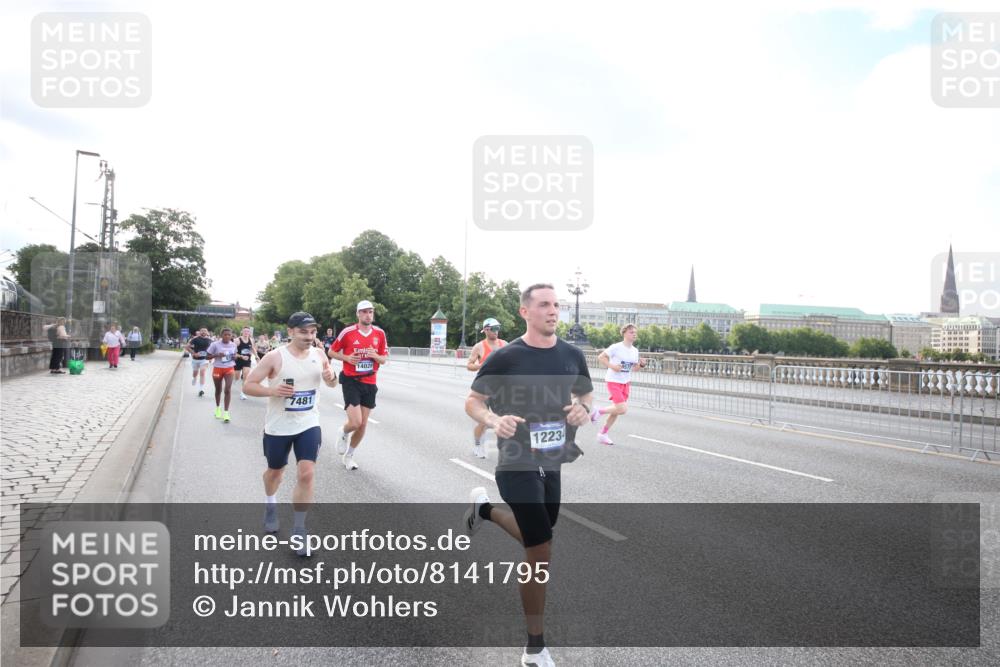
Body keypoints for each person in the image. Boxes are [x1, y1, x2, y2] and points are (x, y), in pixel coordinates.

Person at [463, 283, 594, 667]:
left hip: (552, 460)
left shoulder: (571, 355)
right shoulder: (506, 357)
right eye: (544, 305)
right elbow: (473, 401)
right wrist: (492, 419)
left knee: (540, 535)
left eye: (556, 305)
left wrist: (584, 409)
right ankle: (534, 647)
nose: (553, 311)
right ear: (525, 312)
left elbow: (586, 394)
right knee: (540, 549)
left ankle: (484, 510)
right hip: (516, 461)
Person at [243, 312, 337, 556]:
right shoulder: (275, 357)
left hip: (308, 423)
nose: (309, 336)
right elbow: (249, 385)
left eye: (313, 332)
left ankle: (299, 529)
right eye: (304, 332)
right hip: (278, 426)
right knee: (275, 473)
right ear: (291, 331)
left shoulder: (319, 354)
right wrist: (273, 391)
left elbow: (331, 382)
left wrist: (331, 378)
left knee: (307, 473)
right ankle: (270, 504)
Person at [329, 300, 388, 471]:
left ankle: (349, 456)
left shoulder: (379, 333)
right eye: (364, 312)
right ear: (358, 314)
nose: (368, 315)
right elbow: (331, 351)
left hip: (370, 381)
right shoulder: (348, 332)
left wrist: (375, 356)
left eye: (370, 312)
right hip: (351, 380)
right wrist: (347, 358)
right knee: (355, 422)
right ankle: (343, 431)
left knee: (363, 425)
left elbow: (383, 359)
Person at [591, 324, 647, 445]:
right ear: (624, 333)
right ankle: (598, 411)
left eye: (635, 332)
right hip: (613, 381)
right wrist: (613, 366)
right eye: (631, 332)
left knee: (616, 411)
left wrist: (641, 365)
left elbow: (634, 369)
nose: (634, 334)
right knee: (622, 409)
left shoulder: (635, 351)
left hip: (625, 382)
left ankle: (603, 434)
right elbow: (601, 357)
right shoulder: (616, 347)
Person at [465, 317, 508, 458]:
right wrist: (481, 365)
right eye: (494, 329)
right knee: (483, 422)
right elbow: (469, 365)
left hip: (502, 390)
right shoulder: (479, 346)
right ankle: (478, 445)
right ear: (486, 330)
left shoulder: (505, 344)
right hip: (483, 390)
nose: (496, 331)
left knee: (507, 419)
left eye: (498, 328)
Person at [206, 328, 238, 422]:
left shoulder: (233, 345)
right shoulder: (215, 344)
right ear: (221, 335)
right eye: (225, 334)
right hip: (218, 368)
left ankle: (226, 413)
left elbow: (235, 356)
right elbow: (207, 357)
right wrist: (217, 355)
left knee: (227, 389)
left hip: (229, 368)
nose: (227, 336)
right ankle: (218, 408)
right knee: (218, 389)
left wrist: (235, 357)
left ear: (231, 336)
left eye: (229, 335)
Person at [185, 328, 212, 396]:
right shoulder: (195, 339)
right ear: (200, 332)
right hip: (195, 359)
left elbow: (212, 349)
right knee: (195, 373)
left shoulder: (210, 340)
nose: (203, 332)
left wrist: (210, 357)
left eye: (205, 331)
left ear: (207, 332)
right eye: (202, 331)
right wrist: (194, 353)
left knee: (202, 372)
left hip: (204, 359)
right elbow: (187, 347)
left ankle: (201, 389)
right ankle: (194, 378)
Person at [234, 327, 255, 400]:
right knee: (236, 377)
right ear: (242, 332)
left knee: (246, 375)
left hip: (247, 360)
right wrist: (241, 356)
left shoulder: (251, 340)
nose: (246, 333)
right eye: (245, 331)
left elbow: (253, 349)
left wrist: (256, 356)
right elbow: (233, 353)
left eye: (248, 331)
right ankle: (234, 380)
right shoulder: (237, 340)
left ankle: (242, 393)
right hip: (238, 360)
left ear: (249, 333)